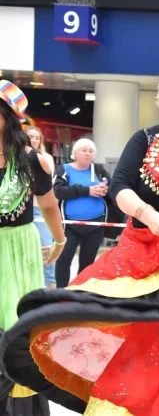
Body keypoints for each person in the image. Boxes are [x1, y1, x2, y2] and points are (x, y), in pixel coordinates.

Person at [0, 59, 159, 416]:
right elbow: (120, 188)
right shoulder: (146, 139)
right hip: (147, 259)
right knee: (139, 344)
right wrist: (146, 214)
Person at [0, 80, 65, 414]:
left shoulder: (31, 160)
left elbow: (50, 206)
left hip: (16, 250)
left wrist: (59, 239)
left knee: (14, 327)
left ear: (7, 117)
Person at [53, 138, 112, 287]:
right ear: (75, 153)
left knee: (87, 262)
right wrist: (88, 190)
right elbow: (58, 191)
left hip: (95, 224)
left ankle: (80, 294)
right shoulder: (64, 169)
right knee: (63, 259)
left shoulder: (99, 170)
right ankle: (60, 292)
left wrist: (106, 190)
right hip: (69, 225)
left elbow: (112, 187)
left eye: (91, 151)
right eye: (84, 150)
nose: (87, 154)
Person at [25, 126, 57, 288]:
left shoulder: (46, 158)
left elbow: (46, 187)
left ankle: (50, 283)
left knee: (46, 246)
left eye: (37, 137)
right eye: (31, 136)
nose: (34, 140)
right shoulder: (16, 156)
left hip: (39, 208)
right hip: (23, 209)